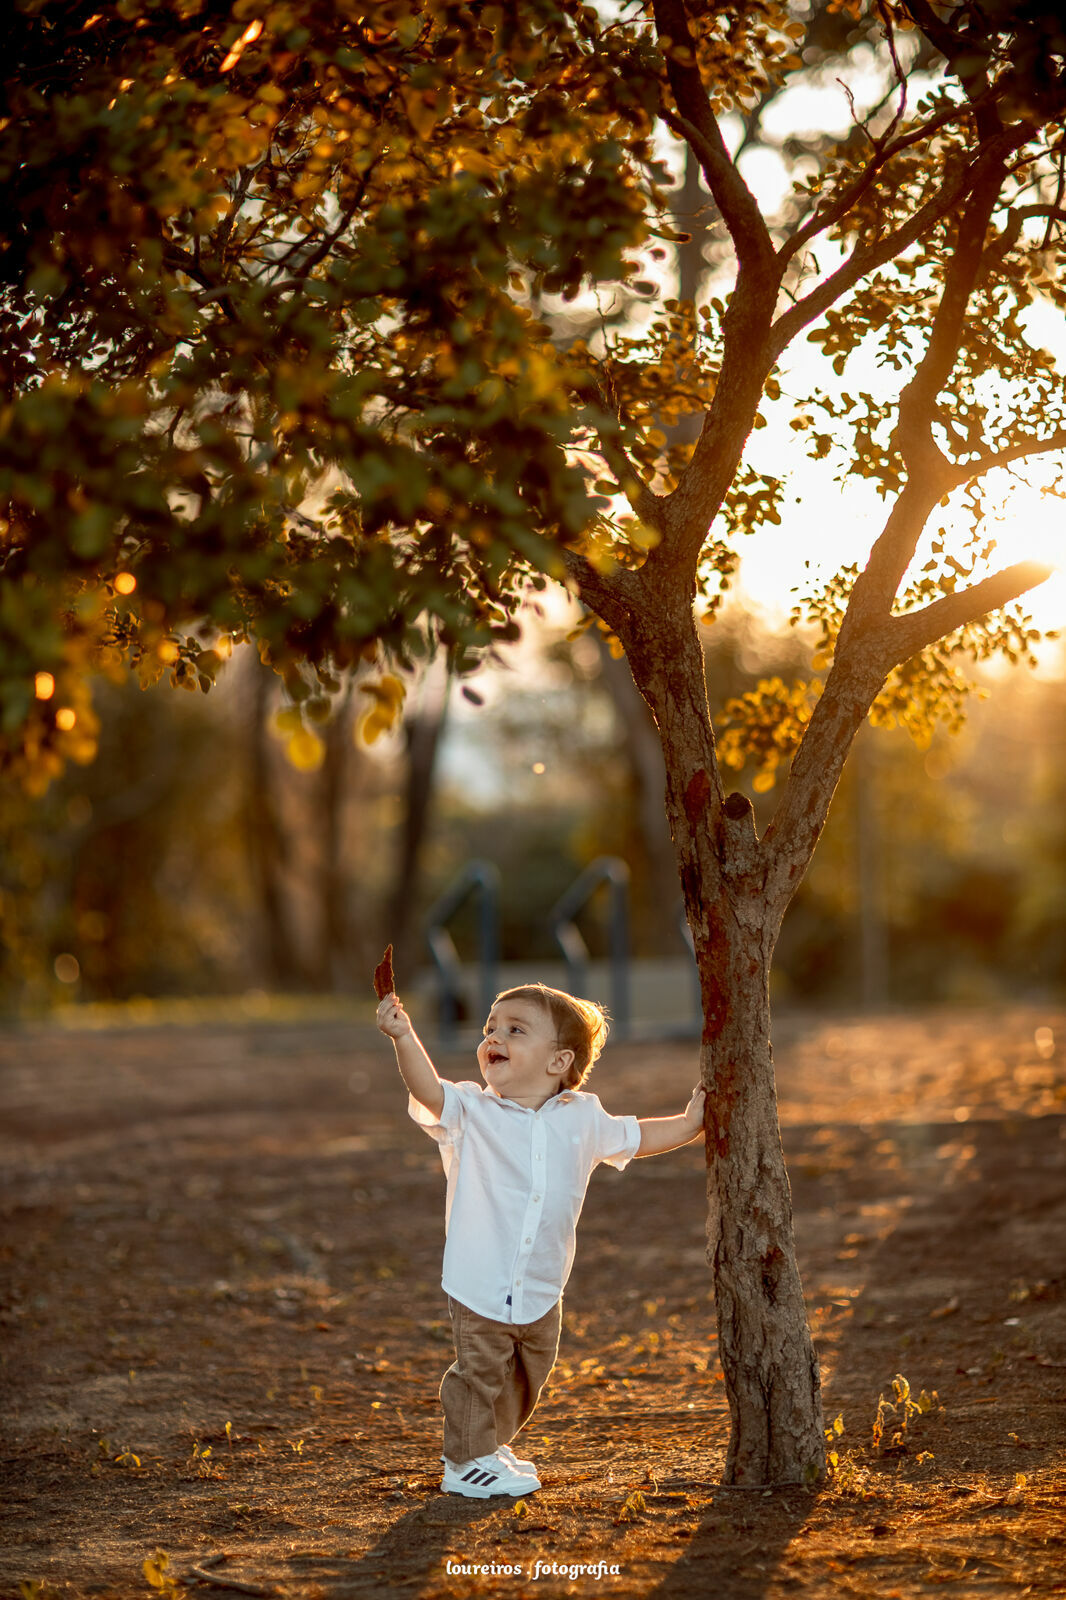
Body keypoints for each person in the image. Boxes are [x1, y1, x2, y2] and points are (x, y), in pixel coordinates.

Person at [375, 980, 705, 1499]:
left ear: (558, 1062)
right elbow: (426, 1089)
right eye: (490, 1028)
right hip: (480, 1279)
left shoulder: (582, 1116)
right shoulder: (470, 1111)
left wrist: (689, 1123)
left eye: (515, 1029)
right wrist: (403, 1036)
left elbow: (637, 1136)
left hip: (543, 1282)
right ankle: (464, 1462)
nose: (494, 1037)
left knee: (530, 1370)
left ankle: (488, 1442)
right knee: (479, 1371)